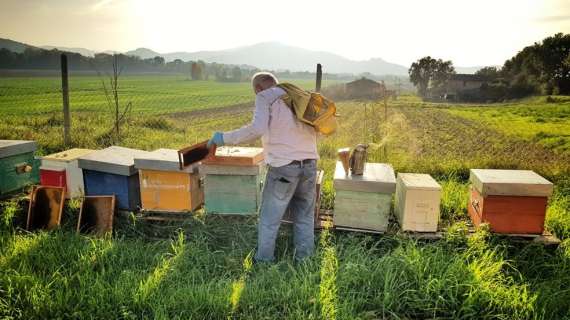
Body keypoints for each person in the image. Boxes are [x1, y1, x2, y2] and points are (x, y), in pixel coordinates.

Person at [207, 72, 318, 263]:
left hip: (284, 167)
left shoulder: (264, 97)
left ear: (258, 88)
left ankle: (264, 261)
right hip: (309, 164)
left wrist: (223, 138)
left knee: (269, 219)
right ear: (275, 83)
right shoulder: (295, 94)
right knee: (304, 216)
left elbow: (257, 129)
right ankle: (305, 259)